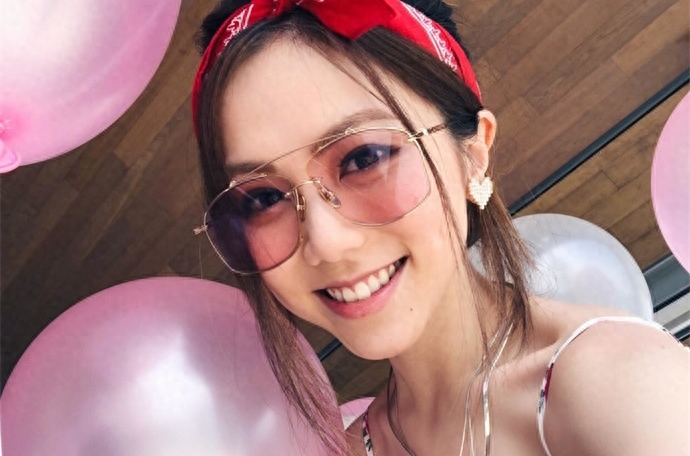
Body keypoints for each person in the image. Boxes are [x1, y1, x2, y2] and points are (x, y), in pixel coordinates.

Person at [191, 1, 690, 454]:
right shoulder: (351, 447)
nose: (325, 242)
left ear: (472, 155)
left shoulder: (622, 387)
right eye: (263, 199)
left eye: (365, 158)